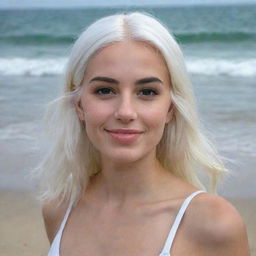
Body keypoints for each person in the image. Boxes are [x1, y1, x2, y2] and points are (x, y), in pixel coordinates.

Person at [38, 12, 250, 255]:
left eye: (147, 92)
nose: (125, 112)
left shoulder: (212, 223)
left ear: (170, 108)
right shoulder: (59, 209)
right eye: (105, 90)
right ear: (79, 105)